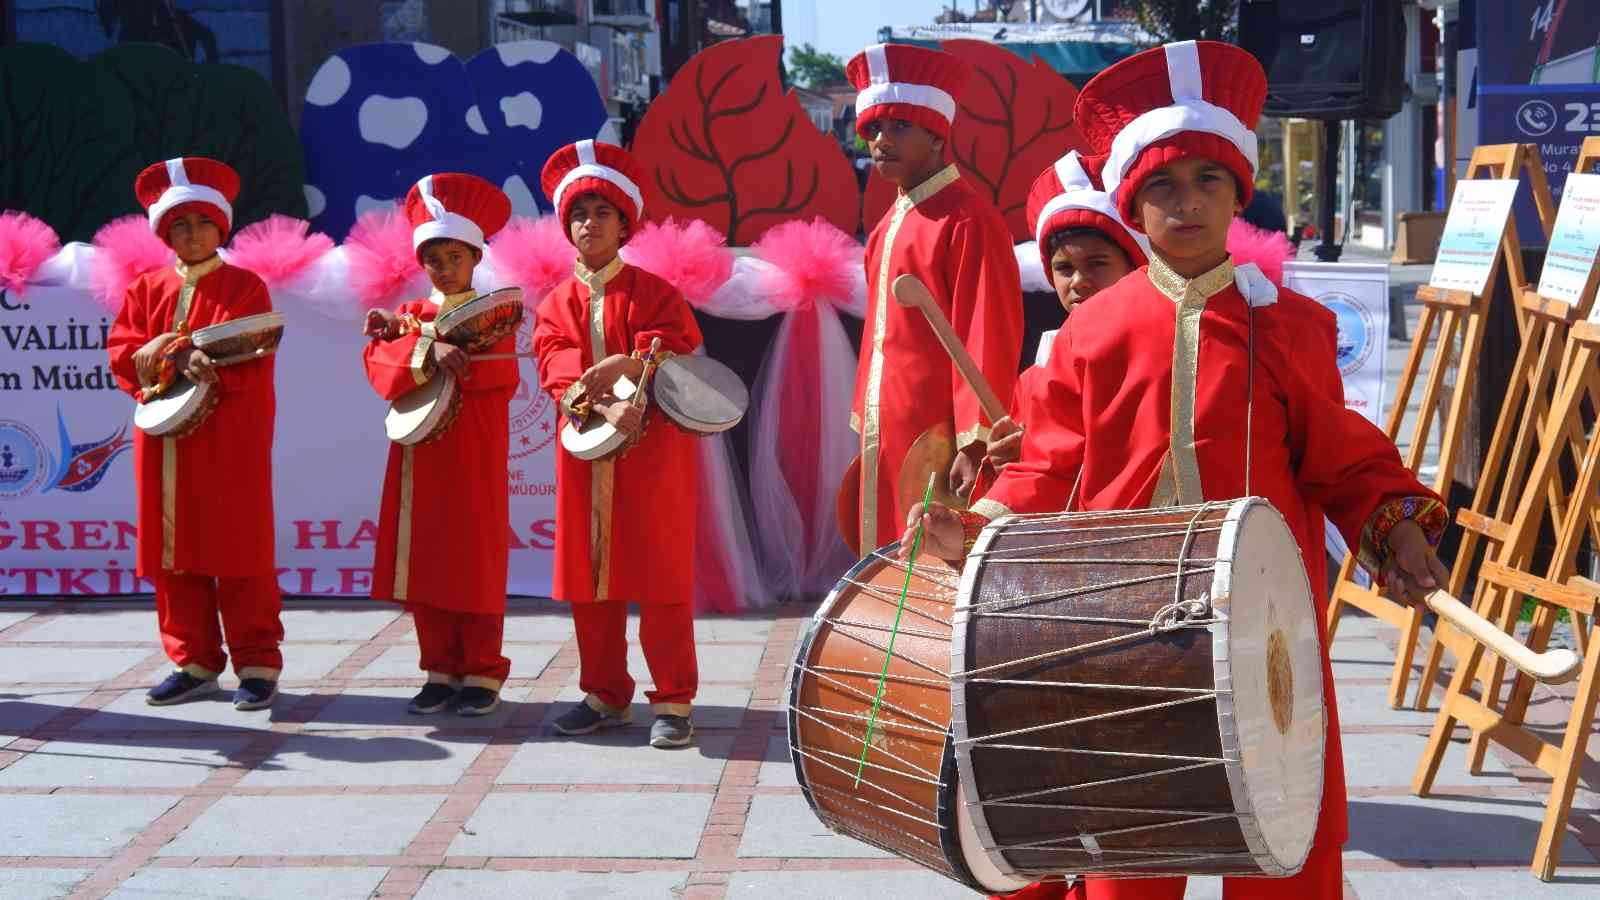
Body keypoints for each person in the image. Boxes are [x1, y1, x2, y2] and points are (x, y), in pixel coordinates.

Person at [905, 41, 1450, 900]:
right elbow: (1046, 466)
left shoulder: (1292, 326)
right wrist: (976, 528)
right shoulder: (1090, 332)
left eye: (1207, 181)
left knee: (1284, 842)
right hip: (1126, 629)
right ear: (1134, 201)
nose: (1186, 202)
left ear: (1239, 193)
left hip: (1266, 627)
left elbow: (1342, 456)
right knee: (1131, 847)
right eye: (1163, 186)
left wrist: (1396, 520)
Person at [533, 140, 702, 749]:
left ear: (625, 223)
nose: (590, 224)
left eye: (603, 213)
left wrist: (634, 370)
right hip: (584, 452)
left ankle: (675, 702)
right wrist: (602, 402)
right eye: (579, 214)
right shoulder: (554, 303)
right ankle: (603, 692)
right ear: (566, 228)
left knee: (659, 579)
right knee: (590, 579)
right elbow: (556, 363)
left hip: (653, 455)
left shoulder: (656, 291)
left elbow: (676, 348)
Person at [107, 156, 283, 711]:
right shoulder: (145, 289)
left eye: (203, 222)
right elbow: (121, 353)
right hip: (164, 443)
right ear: (164, 233)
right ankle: (193, 661)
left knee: (238, 550)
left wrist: (212, 367)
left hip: (228, 439)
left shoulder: (244, 285)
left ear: (221, 227)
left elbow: (257, 351)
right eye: (179, 225)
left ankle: (257, 662)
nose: (192, 234)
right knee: (173, 553)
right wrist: (161, 357)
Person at [844, 42, 1024, 551]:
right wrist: (866, 420)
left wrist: (975, 442)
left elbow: (987, 332)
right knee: (883, 561)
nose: (881, 140)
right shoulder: (885, 226)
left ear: (937, 135)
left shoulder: (970, 220)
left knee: (932, 566)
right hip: (885, 430)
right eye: (873, 130)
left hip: (940, 434)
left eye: (899, 127)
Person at [363, 173, 516, 717]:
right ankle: (438, 669)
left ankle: (482, 670)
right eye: (434, 258)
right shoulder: (408, 314)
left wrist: (426, 345)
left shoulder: (497, 313)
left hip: (473, 453)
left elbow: (502, 376)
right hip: (420, 454)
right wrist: (420, 350)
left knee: (473, 559)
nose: (444, 267)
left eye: (454, 256)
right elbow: (380, 370)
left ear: (474, 257)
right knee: (426, 558)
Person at [979, 150, 1151, 475]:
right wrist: (1004, 458)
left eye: (1097, 264)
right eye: (1064, 268)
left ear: (1134, 266)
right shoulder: (1040, 368)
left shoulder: (1157, 351)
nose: (1079, 282)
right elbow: (1028, 467)